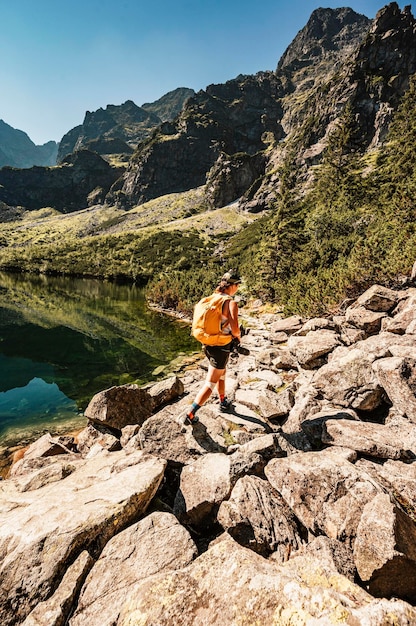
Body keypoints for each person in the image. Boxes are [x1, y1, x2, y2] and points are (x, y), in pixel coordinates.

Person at [184, 270, 242, 425]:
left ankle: (223, 401)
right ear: (233, 286)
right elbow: (235, 329)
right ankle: (190, 414)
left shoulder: (212, 299)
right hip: (221, 346)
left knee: (222, 371)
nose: (238, 288)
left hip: (208, 344)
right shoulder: (230, 303)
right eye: (237, 285)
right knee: (210, 383)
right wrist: (238, 336)